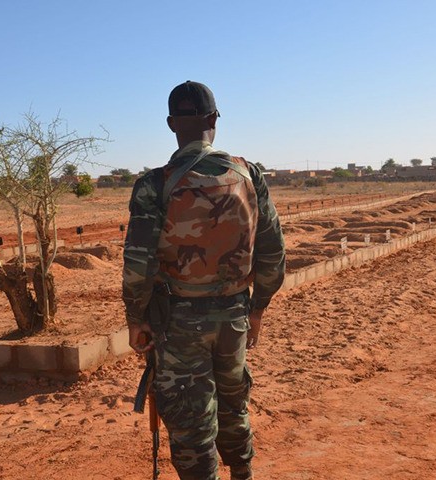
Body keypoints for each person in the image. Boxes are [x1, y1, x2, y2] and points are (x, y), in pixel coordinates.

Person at [123, 80, 285, 480]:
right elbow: (272, 252)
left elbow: (138, 263)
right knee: (233, 403)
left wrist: (135, 318)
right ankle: (242, 473)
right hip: (233, 314)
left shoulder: (154, 185)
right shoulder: (249, 175)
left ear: (170, 123)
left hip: (177, 322)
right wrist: (258, 309)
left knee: (191, 422)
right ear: (215, 119)